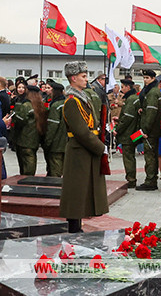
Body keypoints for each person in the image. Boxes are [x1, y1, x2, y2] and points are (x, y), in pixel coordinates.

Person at [59, 61, 108, 233]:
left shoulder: (82, 97)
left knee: (82, 190)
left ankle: (77, 225)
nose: (86, 80)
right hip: (79, 150)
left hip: (86, 149)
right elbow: (81, 131)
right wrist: (100, 147)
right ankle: (74, 227)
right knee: (76, 191)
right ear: (73, 78)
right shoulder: (72, 102)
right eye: (83, 76)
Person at [136, 70, 161, 191]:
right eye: (144, 77)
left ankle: (150, 181)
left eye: (147, 77)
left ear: (153, 78)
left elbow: (152, 113)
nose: (145, 80)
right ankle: (152, 179)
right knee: (152, 155)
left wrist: (145, 130)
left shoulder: (152, 93)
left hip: (151, 130)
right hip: (155, 129)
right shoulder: (154, 91)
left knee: (150, 156)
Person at [12, 85, 48, 176]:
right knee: (31, 158)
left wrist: (14, 115)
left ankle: (26, 180)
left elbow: (20, 120)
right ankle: (30, 178)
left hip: (24, 137)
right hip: (35, 137)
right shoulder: (41, 105)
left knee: (25, 162)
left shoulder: (26, 105)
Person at [113, 79, 140, 187]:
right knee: (131, 156)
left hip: (128, 133)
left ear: (128, 87)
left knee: (128, 157)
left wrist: (118, 129)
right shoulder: (135, 98)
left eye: (123, 86)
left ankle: (131, 179)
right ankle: (131, 178)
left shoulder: (130, 99)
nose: (122, 89)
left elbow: (127, 117)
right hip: (134, 131)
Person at [42, 81, 67, 177]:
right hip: (66, 142)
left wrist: (47, 142)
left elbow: (53, 126)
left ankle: (54, 190)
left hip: (56, 143)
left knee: (55, 171)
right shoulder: (66, 103)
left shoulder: (55, 106)